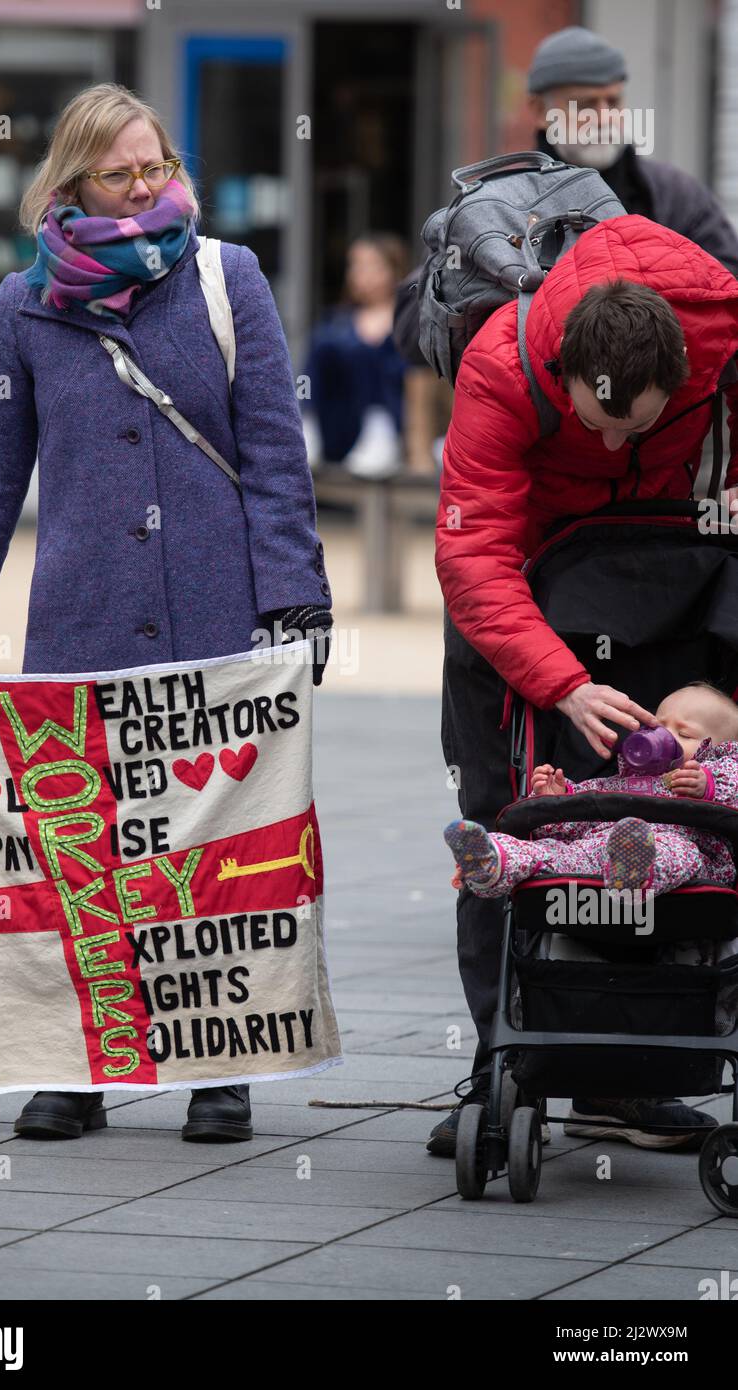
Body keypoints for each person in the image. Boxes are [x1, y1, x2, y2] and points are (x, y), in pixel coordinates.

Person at [0, 82, 334, 1145]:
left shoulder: (228, 279)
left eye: (156, 167)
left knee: (218, 841)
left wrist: (297, 601)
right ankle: (74, 1064)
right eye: (120, 174)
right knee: (79, 850)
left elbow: (273, 453)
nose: (144, 190)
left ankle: (219, 1064)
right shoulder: (23, 306)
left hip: (218, 610)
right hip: (80, 616)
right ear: (71, 184)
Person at [428, 213, 738, 1158]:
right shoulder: (503, 361)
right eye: (595, 423)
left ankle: (638, 1075)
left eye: (634, 427)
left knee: (677, 826)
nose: (610, 447)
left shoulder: (725, 343)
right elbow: (472, 546)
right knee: (509, 816)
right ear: (561, 369)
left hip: (673, 582)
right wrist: (559, 682)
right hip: (530, 595)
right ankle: (504, 1058)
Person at [394, 23, 738, 365]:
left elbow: (728, 288)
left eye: (613, 101)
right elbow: (414, 329)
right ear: (540, 111)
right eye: (586, 104)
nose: (604, 118)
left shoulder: (672, 195)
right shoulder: (489, 206)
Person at [445, 682, 738, 901]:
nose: (663, 737)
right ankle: (490, 861)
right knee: (549, 854)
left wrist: (707, 786)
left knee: (674, 851)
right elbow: (583, 813)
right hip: (594, 857)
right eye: (657, 726)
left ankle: (635, 874)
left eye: (684, 734)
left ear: (720, 749)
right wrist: (558, 798)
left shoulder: (714, 777)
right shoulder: (622, 781)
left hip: (685, 856)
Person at [301, 233, 412, 478]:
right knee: (324, 345)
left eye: (370, 266)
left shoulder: (408, 321)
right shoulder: (336, 322)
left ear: (394, 270)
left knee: (377, 351)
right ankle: (306, 422)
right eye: (355, 266)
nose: (359, 275)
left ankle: (379, 429)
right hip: (342, 422)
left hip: (393, 421)